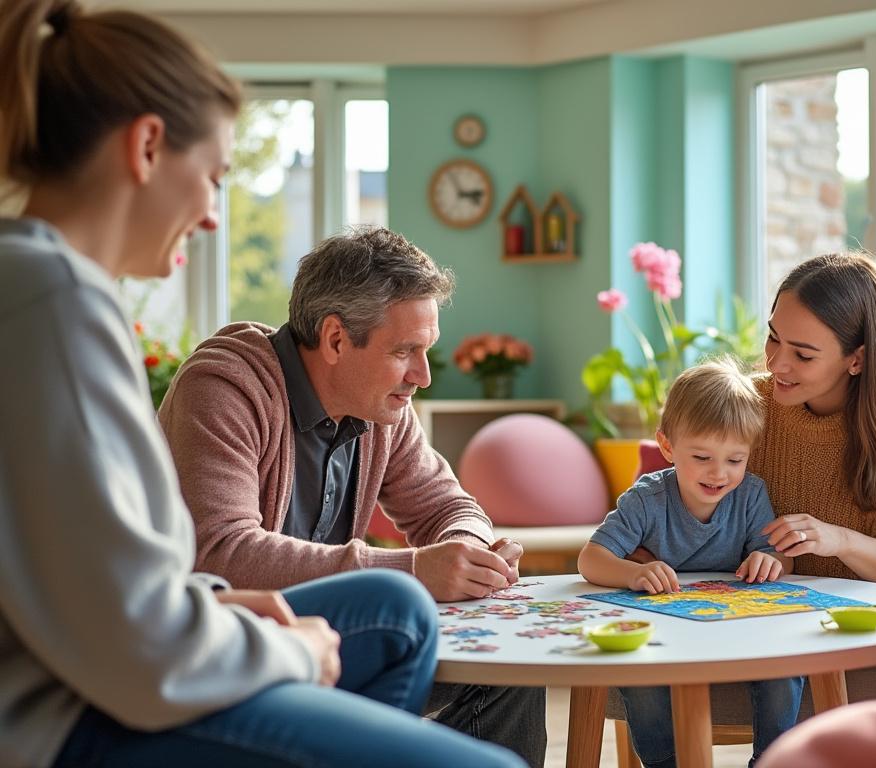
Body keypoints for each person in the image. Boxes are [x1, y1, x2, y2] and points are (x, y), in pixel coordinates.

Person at [0, 2, 522, 766]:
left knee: (399, 608)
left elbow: (99, 573)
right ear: (147, 147)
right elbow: (144, 633)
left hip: (107, 674)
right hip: (70, 718)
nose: (214, 216)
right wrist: (294, 652)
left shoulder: (47, 286)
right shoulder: (58, 304)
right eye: (213, 177)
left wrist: (462, 551)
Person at [156, 226, 545, 765]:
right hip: (228, 655)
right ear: (336, 339)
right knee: (398, 609)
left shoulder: (382, 407)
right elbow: (220, 551)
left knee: (512, 667)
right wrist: (413, 570)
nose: (424, 376)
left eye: (425, 350)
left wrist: (467, 552)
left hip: (328, 645)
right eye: (405, 351)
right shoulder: (224, 387)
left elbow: (450, 507)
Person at [578, 360, 804, 768]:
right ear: (667, 447)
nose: (719, 473)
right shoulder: (646, 499)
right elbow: (591, 559)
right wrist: (632, 573)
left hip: (736, 627)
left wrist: (768, 559)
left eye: (735, 460)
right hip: (665, 631)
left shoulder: (751, 494)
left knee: (786, 666)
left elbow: (778, 557)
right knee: (640, 676)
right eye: (702, 456)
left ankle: (773, 761)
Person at [749, 253, 876, 591]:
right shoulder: (750, 402)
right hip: (758, 610)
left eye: (803, 354)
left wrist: (839, 541)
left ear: (856, 359)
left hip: (868, 620)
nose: (776, 364)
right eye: (773, 338)